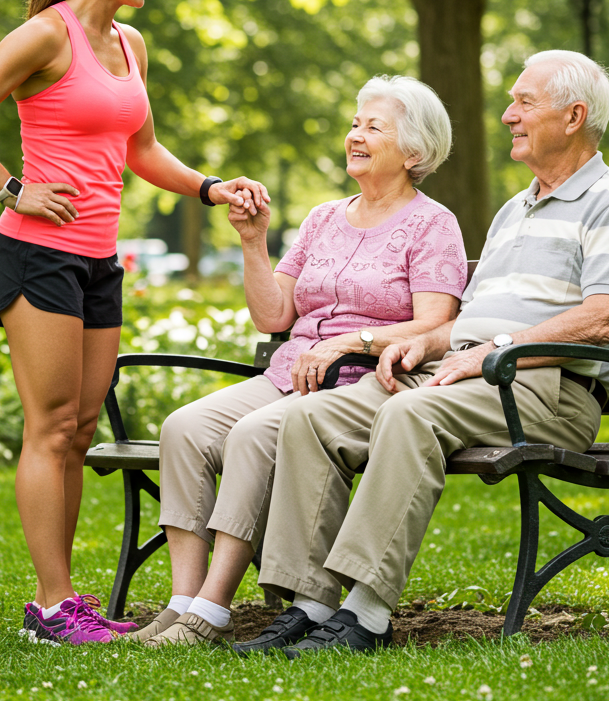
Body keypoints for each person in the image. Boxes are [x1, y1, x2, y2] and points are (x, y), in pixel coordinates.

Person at [0, 0, 269, 645]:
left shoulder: (130, 47)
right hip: (37, 257)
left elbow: (142, 152)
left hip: (97, 262)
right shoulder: (46, 37)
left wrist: (211, 187)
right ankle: (52, 608)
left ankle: (69, 605)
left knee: (80, 429)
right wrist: (11, 189)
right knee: (49, 428)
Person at [235, 49, 609, 656]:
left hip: (546, 389)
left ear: (573, 116)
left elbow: (602, 318)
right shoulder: (516, 209)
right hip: (464, 373)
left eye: (524, 102)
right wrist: (418, 344)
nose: (508, 114)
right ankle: (311, 605)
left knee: (409, 416)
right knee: (310, 416)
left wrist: (493, 351)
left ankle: (367, 614)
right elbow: (461, 320)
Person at [130, 75, 468, 647]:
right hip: (290, 373)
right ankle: (180, 603)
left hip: (365, 384)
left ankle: (210, 613)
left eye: (373, 127)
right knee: (183, 428)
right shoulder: (323, 218)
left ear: (415, 152)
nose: (355, 135)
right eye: (355, 123)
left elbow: (435, 323)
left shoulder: (433, 225)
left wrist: (353, 340)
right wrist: (252, 241)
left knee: (254, 434)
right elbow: (273, 315)